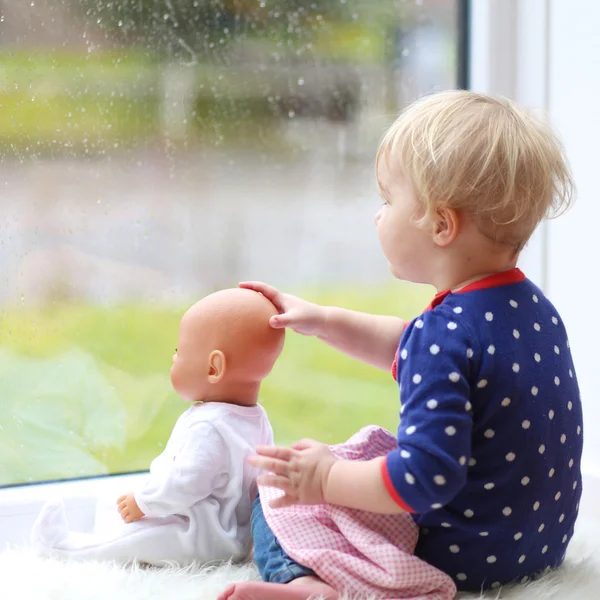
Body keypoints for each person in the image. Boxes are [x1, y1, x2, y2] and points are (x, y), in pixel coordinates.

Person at [219, 90, 583, 600]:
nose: (377, 215)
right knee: (357, 458)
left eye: (388, 199)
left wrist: (325, 479)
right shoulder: (530, 307)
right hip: (538, 541)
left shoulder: (446, 335)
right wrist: (323, 319)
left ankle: (313, 586)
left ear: (440, 224)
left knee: (278, 494)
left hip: (461, 554)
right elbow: (408, 344)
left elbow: (423, 478)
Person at [31, 288, 284, 566]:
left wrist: (145, 502)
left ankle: (62, 548)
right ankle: (111, 527)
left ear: (214, 367)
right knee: (113, 501)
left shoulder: (210, 427)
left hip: (198, 534)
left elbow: (184, 484)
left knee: (139, 537)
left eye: (180, 351)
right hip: (231, 532)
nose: (174, 358)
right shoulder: (256, 417)